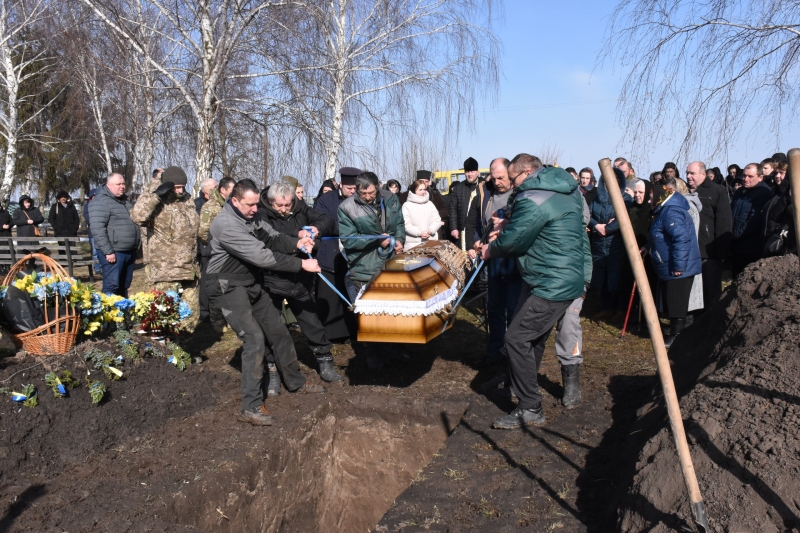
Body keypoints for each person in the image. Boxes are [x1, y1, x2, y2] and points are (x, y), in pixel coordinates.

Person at [480, 154, 586, 429]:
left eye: (513, 179)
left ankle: (530, 407)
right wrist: (508, 225)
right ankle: (520, 390)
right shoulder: (562, 190)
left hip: (552, 282)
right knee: (533, 338)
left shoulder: (533, 196)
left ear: (527, 173)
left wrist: (490, 249)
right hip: (557, 277)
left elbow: (514, 241)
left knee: (515, 339)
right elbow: (540, 227)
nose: (512, 185)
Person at [206, 179, 324, 426]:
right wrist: (302, 264)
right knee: (254, 339)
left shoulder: (252, 217)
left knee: (279, 331)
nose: (255, 209)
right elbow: (261, 256)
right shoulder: (226, 224)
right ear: (234, 200)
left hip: (250, 282)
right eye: (249, 205)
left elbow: (273, 238)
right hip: (226, 285)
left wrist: (297, 243)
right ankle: (250, 406)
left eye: (256, 204)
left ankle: (295, 382)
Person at [257, 180, 344, 386]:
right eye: (280, 205)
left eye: (288, 204)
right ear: (271, 201)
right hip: (273, 278)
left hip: (300, 280)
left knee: (312, 323)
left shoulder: (300, 207)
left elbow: (326, 220)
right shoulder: (261, 214)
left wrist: (315, 229)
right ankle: (272, 368)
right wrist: (298, 236)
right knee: (270, 327)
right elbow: (271, 238)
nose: (284, 209)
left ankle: (325, 360)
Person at [338, 171, 405, 369]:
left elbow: (399, 223)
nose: (367, 197)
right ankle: (372, 352)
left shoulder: (391, 199)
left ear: (378, 187)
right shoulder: (346, 207)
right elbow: (348, 240)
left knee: (393, 309)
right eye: (363, 193)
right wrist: (376, 240)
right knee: (369, 313)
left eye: (371, 193)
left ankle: (395, 347)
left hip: (390, 263)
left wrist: (399, 239)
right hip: (364, 266)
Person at [130, 166, 201, 333]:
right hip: (166, 270)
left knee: (190, 315)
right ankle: (166, 346)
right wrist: (156, 196)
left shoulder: (187, 199)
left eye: (183, 187)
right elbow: (137, 216)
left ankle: (184, 346)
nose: (180, 191)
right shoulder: (155, 198)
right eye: (176, 187)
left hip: (189, 268)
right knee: (164, 315)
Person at [466, 158, 520, 369]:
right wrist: (477, 240)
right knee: (494, 308)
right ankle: (495, 352)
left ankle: (513, 357)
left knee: (513, 310)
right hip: (492, 260)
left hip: (514, 260)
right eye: (494, 178)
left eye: (501, 178)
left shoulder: (520, 194)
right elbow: (476, 223)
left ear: (510, 175)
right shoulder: (485, 192)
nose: (497, 182)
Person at [648, 178, 702, 348]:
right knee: (672, 300)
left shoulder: (672, 212)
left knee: (677, 302)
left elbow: (681, 239)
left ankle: (677, 335)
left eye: (651, 197)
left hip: (677, 266)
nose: (649, 201)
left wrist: (679, 266)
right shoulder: (665, 210)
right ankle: (674, 331)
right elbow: (659, 235)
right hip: (669, 263)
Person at [314, 167, 360, 341]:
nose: (352, 191)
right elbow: (321, 222)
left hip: (353, 255)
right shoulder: (326, 200)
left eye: (355, 188)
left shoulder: (360, 199)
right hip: (331, 253)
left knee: (351, 293)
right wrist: (347, 229)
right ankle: (331, 334)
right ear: (340, 184)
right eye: (349, 188)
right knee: (331, 296)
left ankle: (353, 330)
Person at [685, 161, 732, 312]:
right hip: (690, 251)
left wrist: (721, 252)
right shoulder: (685, 191)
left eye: (692, 173)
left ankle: (711, 319)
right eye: (687, 173)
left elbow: (724, 222)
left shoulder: (716, 191)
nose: (688, 176)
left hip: (709, 251)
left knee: (711, 290)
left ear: (703, 174)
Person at [589, 167, 631, 322]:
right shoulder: (597, 198)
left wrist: (607, 229)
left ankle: (621, 310)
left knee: (618, 278)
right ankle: (606, 309)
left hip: (616, 244)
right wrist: (596, 226)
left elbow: (623, 219)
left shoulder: (626, 198)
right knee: (602, 278)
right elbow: (587, 214)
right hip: (599, 243)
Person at [89, 173, 140, 297]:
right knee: (111, 286)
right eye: (118, 184)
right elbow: (98, 229)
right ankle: (108, 309)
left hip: (129, 250)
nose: (122, 186)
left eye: (123, 184)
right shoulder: (100, 202)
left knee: (124, 285)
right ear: (109, 185)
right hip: (114, 252)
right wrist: (108, 251)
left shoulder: (125, 201)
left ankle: (122, 308)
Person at [197, 176, 235, 331]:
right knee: (215, 286)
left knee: (230, 285)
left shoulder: (232, 205)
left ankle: (231, 318)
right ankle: (217, 319)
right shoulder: (210, 207)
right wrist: (215, 245)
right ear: (223, 190)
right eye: (231, 190)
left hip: (231, 253)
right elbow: (202, 231)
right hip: (215, 252)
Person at [730, 163, 772, 276]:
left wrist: (736, 234)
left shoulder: (764, 193)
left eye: (750, 176)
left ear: (760, 177)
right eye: (744, 175)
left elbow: (754, 221)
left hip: (751, 246)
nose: (745, 179)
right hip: (736, 245)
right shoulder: (740, 192)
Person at [401, 179, 442, 250]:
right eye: (420, 190)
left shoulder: (430, 204)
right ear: (414, 191)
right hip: (413, 244)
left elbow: (437, 220)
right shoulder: (407, 205)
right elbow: (406, 224)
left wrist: (430, 231)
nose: (423, 192)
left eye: (424, 189)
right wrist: (419, 232)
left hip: (430, 241)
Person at [449, 157, 480, 250]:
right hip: (463, 229)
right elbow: (453, 209)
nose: (469, 174)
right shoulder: (458, 188)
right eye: (467, 172)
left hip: (479, 230)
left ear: (477, 172)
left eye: (472, 171)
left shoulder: (484, 186)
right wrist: (454, 228)